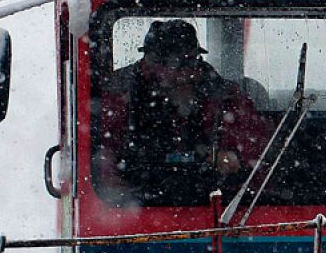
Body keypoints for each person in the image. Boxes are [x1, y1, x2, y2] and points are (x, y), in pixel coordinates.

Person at [96, 20, 270, 205]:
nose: (179, 75)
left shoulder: (224, 96)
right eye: (164, 63)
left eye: (187, 63)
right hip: (134, 207)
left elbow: (256, 148)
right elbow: (99, 153)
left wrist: (234, 157)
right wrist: (112, 184)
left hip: (218, 205)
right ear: (148, 62)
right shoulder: (117, 96)